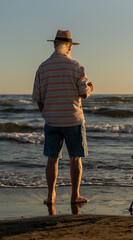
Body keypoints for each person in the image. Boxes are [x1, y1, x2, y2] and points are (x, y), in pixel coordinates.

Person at [32, 30, 94, 205]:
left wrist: (45, 113)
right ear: (69, 47)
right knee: (75, 158)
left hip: (52, 120)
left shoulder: (43, 67)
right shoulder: (76, 66)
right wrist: (90, 88)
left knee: (52, 159)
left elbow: (37, 97)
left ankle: (51, 195)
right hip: (73, 120)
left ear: (54, 45)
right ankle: (75, 196)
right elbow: (83, 94)